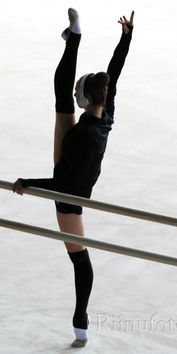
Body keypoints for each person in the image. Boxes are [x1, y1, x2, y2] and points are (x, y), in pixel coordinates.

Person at [12, 7, 134, 348]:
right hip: (71, 183)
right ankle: (81, 321)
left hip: (71, 190)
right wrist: (126, 38)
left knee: (81, 260)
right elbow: (114, 72)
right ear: (102, 98)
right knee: (79, 259)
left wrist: (29, 183)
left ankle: (75, 38)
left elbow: (65, 185)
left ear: (87, 100)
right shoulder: (105, 114)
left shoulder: (86, 135)